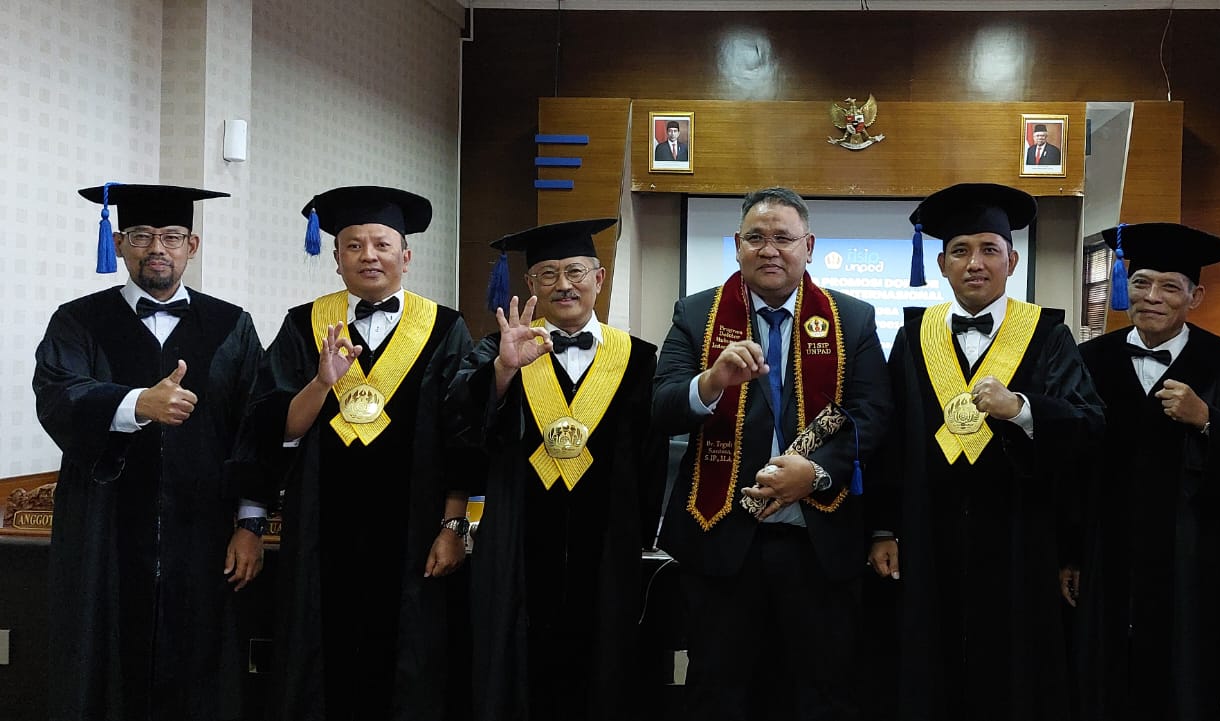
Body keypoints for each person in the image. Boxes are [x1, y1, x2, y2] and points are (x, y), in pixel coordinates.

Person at [652, 186, 891, 721]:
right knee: (719, 691)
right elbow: (663, 406)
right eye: (756, 237)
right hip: (721, 542)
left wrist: (815, 472)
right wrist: (710, 382)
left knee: (822, 693)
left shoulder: (852, 318)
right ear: (736, 245)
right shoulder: (696, 315)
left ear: (808, 245)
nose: (769, 249)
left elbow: (875, 413)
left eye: (783, 237)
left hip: (819, 543)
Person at [869, 182, 1104, 721]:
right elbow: (889, 437)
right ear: (943, 264)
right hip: (928, 533)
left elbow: (1089, 426)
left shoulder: (1047, 335)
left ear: (1012, 260)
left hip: (1021, 532)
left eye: (989, 249)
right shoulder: (913, 336)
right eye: (961, 251)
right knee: (930, 662)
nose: (975, 263)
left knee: (1016, 671)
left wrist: (1022, 407)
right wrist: (883, 528)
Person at [34, 183, 267, 721]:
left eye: (170, 236)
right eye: (140, 235)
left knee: (201, 665)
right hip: (104, 531)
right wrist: (139, 404)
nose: (155, 247)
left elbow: (254, 427)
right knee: (102, 658)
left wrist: (250, 525)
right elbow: (57, 393)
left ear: (193, 244)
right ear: (118, 244)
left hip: (204, 534)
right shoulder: (78, 320)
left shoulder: (232, 325)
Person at [252, 185, 478, 721]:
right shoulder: (302, 324)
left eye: (381, 243)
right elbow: (273, 427)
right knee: (319, 662)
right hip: (321, 527)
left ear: (406, 255)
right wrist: (321, 384)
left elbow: (463, 435)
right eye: (353, 245)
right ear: (336, 260)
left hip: (415, 530)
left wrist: (454, 527)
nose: (368, 255)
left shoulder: (446, 329)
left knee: (410, 665)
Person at [449, 218, 664, 721]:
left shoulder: (639, 360)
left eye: (574, 271)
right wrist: (503, 371)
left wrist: (637, 531)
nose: (563, 285)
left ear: (599, 278)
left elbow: (654, 459)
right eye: (547, 274)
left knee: (606, 662)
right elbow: (461, 422)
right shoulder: (497, 352)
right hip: (520, 540)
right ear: (529, 286)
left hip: (609, 544)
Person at [1071, 223, 1220, 721]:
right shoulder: (1089, 359)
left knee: (1185, 676)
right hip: (1106, 549)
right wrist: (1070, 552)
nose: (1152, 297)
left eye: (1170, 286)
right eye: (1140, 282)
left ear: (1195, 295)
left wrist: (1209, 421)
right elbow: (1070, 464)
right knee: (1103, 675)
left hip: (1190, 550)